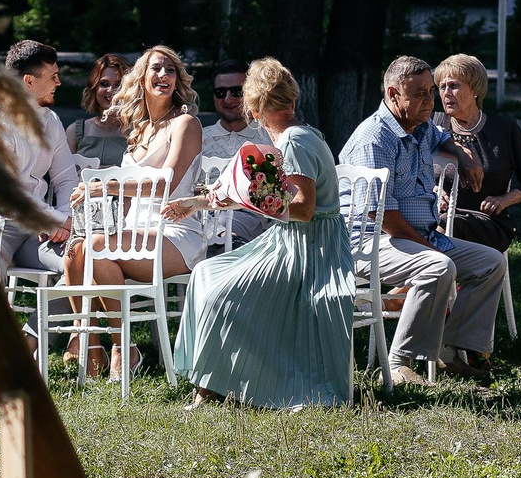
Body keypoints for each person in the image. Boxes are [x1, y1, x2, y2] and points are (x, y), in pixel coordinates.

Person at [164, 59, 356, 409]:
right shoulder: (297, 135)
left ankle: (214, 386)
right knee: (208, 273)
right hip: (290, 242)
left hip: (311, 250)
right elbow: (257, 195)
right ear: (293, 100)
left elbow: (303, 208)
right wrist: (195, 203)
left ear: (252, 110)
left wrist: (254, 203)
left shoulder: (295, 141)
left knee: (220, 290)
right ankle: (218, 381)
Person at [341, 57, 507, 384]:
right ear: (392, 94)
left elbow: (440, 137)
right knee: (437, 266)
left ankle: (453, 351)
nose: (430, 101)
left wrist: (463, 155)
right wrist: (427, 247)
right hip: (371, 241)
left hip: (418, 236)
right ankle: (399, 363)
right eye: (419, 93)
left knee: (491, 261)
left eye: (430, 91)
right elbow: (381, 215)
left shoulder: (419, 124)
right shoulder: (375, 138)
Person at [61, 45, 206, 380]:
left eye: (171, 70)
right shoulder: (137, 131)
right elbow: (126, 204)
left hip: (174, 233)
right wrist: (90, 202)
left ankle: (122, 345)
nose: (164, 76)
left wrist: (105, 186)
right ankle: (91, 345)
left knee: (97, 248)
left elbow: (166, 187)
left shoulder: (186, 124)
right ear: (141, 78)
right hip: (134, 233)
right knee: (75, 251)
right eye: (156, 69)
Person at [435, 53, 521, 251]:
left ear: (475, 89)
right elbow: (411, 171)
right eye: (442, 87)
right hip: (435, 216)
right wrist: (432, 190)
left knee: (443, 227)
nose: (446, 93)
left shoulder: (504, 130)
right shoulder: (433, 127)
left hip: (487, 222)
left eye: (454, 85)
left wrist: (505, 199)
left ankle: (417, 281)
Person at [0, 40, 75, 279]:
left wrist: (62, 218)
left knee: (82, 265)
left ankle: (38, 320)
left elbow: (66, 177)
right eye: (53, 77)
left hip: (34, 231)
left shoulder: (51, 121)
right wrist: (59, 220)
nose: (58, 83)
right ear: (29, 82)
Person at [196, 63, 276, 247]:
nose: (228, 98)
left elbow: (270, 192)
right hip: (199, 210)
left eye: (236, 92)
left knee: (226, 227)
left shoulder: (268, 138)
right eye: (221, 92)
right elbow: (187, 183)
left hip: (245, 213)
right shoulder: (198, 137)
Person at [66, 51, 132, 165]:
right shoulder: (75, 131)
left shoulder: (139, 131)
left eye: (118, 84)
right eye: (104, 84)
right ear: (94, 88)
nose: (111, 90)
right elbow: (61, 178)